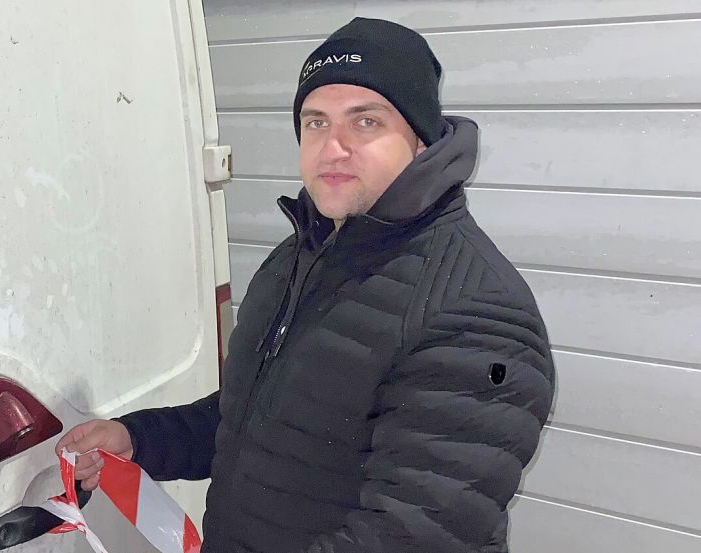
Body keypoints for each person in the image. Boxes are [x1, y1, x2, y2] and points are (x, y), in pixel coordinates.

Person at [57, 17, 555, 553]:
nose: (332, 147)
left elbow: (412, 534)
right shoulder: (302, 257)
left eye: (365, 122)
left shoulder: (476, 313)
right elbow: (262, 420)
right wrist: (141, 439)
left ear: (420, 140)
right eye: (316, 122)